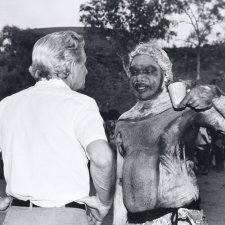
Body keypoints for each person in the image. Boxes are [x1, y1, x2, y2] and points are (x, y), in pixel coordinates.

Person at [0, 31, 115, 225]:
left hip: (16, 217)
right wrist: (103, 202)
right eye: (84, 63)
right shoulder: (81, 104)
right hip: (65, 217)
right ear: (70, 65)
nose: (86, 70)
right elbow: (102, 158)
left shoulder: (7, 105)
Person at [113, 42, 225, 225]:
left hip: (178, 219)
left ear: (165, 75)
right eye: (134, 72)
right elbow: (120, 181)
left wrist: (216, 96)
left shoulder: (186, 109)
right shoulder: (124, 121)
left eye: (148, 71)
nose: (139, 78)